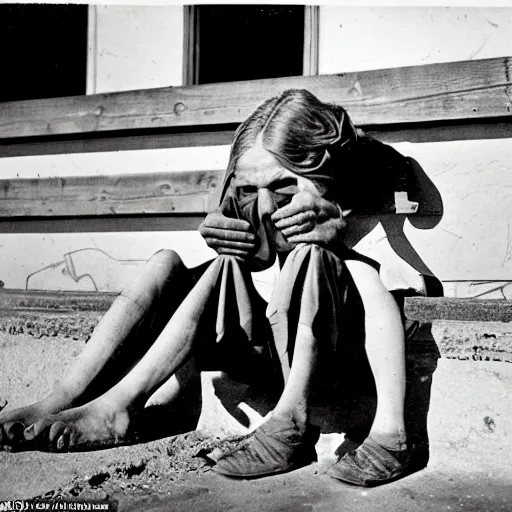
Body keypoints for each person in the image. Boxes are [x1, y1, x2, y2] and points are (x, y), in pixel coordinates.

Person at [0, 89, 421, 486]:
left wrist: (339, 224)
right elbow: (242, 259)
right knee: (168, 262)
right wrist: (223, 216)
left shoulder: (347, 204)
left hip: (330, 363)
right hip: (262, 353)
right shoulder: (256, 205)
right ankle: (70, 398)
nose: (266, 205)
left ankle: (290, 425)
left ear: (322, 174)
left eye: (282, 186)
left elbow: (377, 274)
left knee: (310, 255)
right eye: (249, 189)